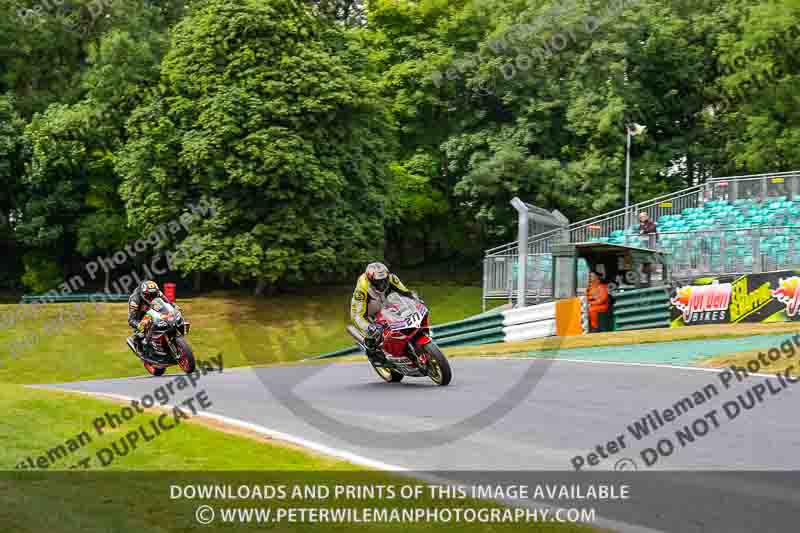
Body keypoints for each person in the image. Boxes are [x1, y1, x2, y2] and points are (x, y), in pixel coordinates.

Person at [350, 262, 419, 363]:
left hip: (383, 304)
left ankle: (401, 344)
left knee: (398, 305)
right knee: (373, 333)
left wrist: (416, 300)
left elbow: (405, 292)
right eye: (378, 282)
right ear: (371, 280)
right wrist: (369, 327)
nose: (382, 284)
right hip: (367, 310)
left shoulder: (392, 278)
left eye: (384, 280)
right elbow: (356, 316)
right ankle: (372, 352)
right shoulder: (362, 289)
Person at [128, 280, 167, 354]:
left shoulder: (158, 293)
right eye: (150, 296)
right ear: (144, 295)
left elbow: (167, 303)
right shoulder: (135, 300)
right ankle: (138, 342)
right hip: (141, 316)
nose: (153, 297)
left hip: (153, 309)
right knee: (146, 325)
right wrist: (140, 326)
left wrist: (174, 307)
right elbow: (131, 320)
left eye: (154, 295)